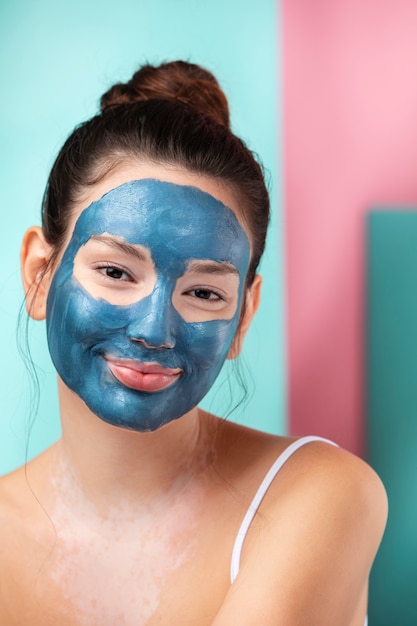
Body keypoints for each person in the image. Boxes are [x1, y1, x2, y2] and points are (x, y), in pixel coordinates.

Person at [0, 60, 387, 626]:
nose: (154, 331)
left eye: (204, 293)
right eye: (115, 272)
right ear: (39, 273)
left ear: (244, 315)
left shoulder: (320, 497)